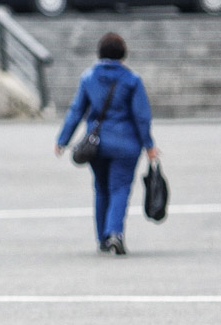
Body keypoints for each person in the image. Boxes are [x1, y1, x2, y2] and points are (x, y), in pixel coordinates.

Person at [55, 32, 159, 255]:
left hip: (97, 144)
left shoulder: (89, 77)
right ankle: (115, 233)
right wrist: (149, 145)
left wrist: (62, 140)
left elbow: (76, 111)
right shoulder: (132, 80)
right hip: (126, 145)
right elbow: (142, 116)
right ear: (123, 54)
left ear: (100, 53)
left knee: (101, 188)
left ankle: (103, 237)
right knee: (120, 188)